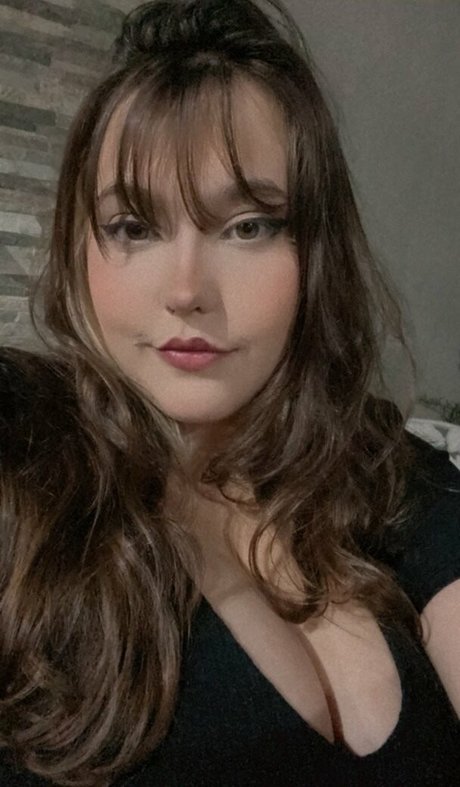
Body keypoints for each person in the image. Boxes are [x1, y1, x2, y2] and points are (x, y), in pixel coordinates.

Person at [0, 0, 459, 784]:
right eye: (132, 226)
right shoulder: (28, 457)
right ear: (80, 249)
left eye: (248, 225)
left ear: (314, 252)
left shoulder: (382, 467)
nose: (186, 290)